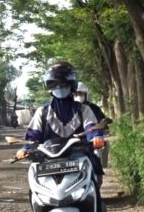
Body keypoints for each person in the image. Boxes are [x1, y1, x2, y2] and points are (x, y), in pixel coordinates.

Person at [15, 61, 106, 190]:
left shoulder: (83, 110)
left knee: (96, 178)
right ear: (49, 87)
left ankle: (97, 208)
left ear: (72, 86)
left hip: (78, 156)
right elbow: (33, 134)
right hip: (48, 159)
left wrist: (96, 137)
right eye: (55, 84)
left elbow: (91, 127)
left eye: (64, 85)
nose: (59, 88)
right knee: (35, 186)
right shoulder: (42, 111)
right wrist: (25, 148)